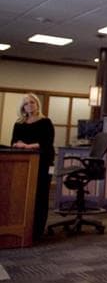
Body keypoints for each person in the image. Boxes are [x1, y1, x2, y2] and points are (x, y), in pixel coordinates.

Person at [11, 93, 55, 241]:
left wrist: (27, 145)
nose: (29, 105)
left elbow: (46, 143)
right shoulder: (19, 123)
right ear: (23, 107)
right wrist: (17, 145)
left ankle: (37, 231)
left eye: (32, 102)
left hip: (43, 162)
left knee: (40, 196)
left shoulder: (45, 122)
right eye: (26, 103)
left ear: (37, 104)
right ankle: (24, 227)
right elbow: (13, 142)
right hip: (23, 163)